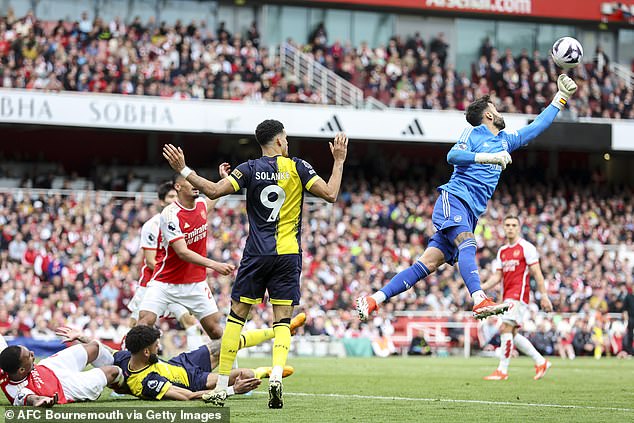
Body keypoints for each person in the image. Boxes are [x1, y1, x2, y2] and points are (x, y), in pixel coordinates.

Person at [356, 74, 578, 322]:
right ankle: (479, 299)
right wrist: (487, 158)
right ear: (489, 115)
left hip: (470, 213)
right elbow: (453, 156)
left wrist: (561, 98)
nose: (500, 112)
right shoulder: (471, 134)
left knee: (426, 265)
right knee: (468, 243)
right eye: (496, 108)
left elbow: (537, 126)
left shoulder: (506, 141)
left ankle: (374, 299)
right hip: (454, 199)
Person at [163, 120, 348, 408]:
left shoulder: (248, 168)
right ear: (277, 142)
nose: (287, 143)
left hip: (255, 254)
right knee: (282, 319)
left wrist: (184, 170)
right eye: (285, 139)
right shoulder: (298, 166)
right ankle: (276, 375)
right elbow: (331, 194)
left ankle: (222, 386)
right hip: (288, 254)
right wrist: (338, 162)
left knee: (237, 317)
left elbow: (212, 191)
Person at [56, 316, 304, 401]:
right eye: (155, 345)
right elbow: (188, 396)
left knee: (222, 343)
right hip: (195, 380)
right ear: (145, 351)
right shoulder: (147, 383)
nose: (158, 347)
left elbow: (102, 351)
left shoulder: (123, 358)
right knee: (246, 375)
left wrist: (81, 337)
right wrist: (231, 391)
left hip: (179, 364)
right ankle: (266, 371)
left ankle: (281, 330)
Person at [137, 170, 235, 342]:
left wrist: (225, 179)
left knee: (215, 330)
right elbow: (182, 252)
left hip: (195, 283)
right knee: (144, 323)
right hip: (165, 283)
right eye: (190, 181)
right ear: (178, 186)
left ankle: (230, 369)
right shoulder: (170, 214)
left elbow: (218, 193)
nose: (195, 184)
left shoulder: (202, 206)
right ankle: (130, 366)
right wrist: (214, 265)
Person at [129, 181, 203, 351]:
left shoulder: (183, 221)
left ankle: (195, 367)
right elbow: (150, 261)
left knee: (190, 321)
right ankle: (127, 362)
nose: (174, 200)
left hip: (175, 283)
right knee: (138, 326)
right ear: (162, 201)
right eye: (170, 197)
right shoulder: (151, 225)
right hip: (152, 283)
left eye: (176, 196)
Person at [480, 216, 553, 380]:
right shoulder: (502, 251)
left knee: (505, 328)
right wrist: (481, 287)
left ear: (519, 228)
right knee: (511, 333)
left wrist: (544, 296)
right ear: (503, 228)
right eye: (507, 225)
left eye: (514, 225)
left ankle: (502, 371)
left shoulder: (526, 248)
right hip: (507, 296)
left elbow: (537, 273)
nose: (510, 228)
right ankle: (540, 361)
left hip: (519, 295)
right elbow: (497, 276)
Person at [0, 334, 122, 406]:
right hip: (66, 388)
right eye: (29, 356)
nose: (33, 353)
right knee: (114, 371)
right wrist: (42, 400)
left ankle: (124, 361)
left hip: (49, 366)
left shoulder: (5, 362)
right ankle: (124, 385)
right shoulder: (17, 391)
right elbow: (32, 399)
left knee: (94, 347)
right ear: (21, 370)